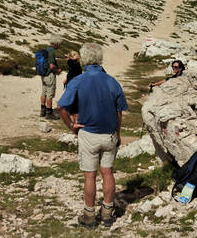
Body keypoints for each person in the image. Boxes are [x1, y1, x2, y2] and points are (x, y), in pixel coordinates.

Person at [56, 44, 128, 228]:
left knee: (90, 176)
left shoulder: (78, 80)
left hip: (88, 134)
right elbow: (119, 112)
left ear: (84, 58)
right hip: (110, 134)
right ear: (100, 58)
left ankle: (89, 216)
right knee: (108, 173)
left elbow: (61, 106)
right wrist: (118, 134)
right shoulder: (112, 81)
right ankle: (107, 213)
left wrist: (72, 126)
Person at [35, 46, 59, 119]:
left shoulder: (46, 50)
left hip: (43, 75)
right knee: (50, 94)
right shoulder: (52, 52)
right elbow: (51, 66)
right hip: (49, 75)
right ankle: (49, 113)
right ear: (57, 43)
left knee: (44, 92)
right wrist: (57, 70)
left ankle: (43, 111)